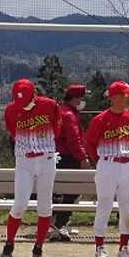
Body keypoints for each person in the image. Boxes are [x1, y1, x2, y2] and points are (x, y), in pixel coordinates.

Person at [0, 78, 61, 257]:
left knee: (45, 205)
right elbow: (13, 132)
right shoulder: (11, 110)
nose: (23, 105)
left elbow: (57, 128)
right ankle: (9, 243)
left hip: (46, 159)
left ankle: (38, 246)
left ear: (34, 94)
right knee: (19, 204)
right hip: (24, 160)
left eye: (25, 101)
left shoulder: (50, 105)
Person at [85, 80, 129, 257]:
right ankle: (99, 248)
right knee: (104, 205)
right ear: (115, 97)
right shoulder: (100, 119)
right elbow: (90, 144)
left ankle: (123, 248)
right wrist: (100, 163)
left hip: (127, 164)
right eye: (126, 94)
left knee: (127, 207)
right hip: (107, 163)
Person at [50, 84, 90, 241]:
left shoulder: (60, 111)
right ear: (75, 98)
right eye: (81, 98)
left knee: (56, 192)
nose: (82, 101)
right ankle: (60, 224)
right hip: (69, 158)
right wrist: (83, 157)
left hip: (56, 157)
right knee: (72, 192)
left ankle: (54, 224)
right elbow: (74, 140)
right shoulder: (69, 115)